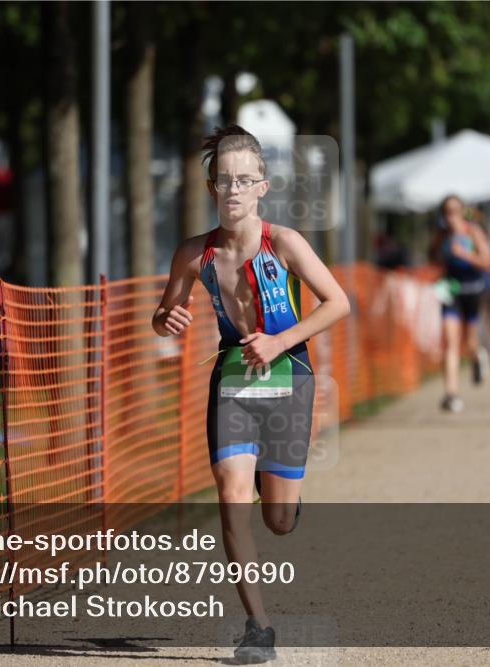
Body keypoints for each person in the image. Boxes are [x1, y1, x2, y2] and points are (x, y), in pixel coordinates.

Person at [151, 125, 350, 663]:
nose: (233, 189)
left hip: (288, 377)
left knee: (277, 521)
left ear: (262, 186)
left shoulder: (284, 243)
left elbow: (337, 303)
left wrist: (282, 339)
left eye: (245, 180)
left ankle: (284, 498)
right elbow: (162, 312)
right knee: (231, 497)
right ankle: (258, 627)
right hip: (234, 378)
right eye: (224, 180)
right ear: (211, 188)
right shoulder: (194, 254)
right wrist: (165, 317)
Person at [428, 195, 490, 413]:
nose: (451, 216)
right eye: (447, 211)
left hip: (472, 290)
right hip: (451, 291)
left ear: (462, 211)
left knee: (470, 342)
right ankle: (451, 393)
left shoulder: (472, 232)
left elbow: (487, 262)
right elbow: (432, 256)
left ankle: (478, 357)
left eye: (455, 210)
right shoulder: (442, 235)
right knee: (451, 340)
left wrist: (465, 254)